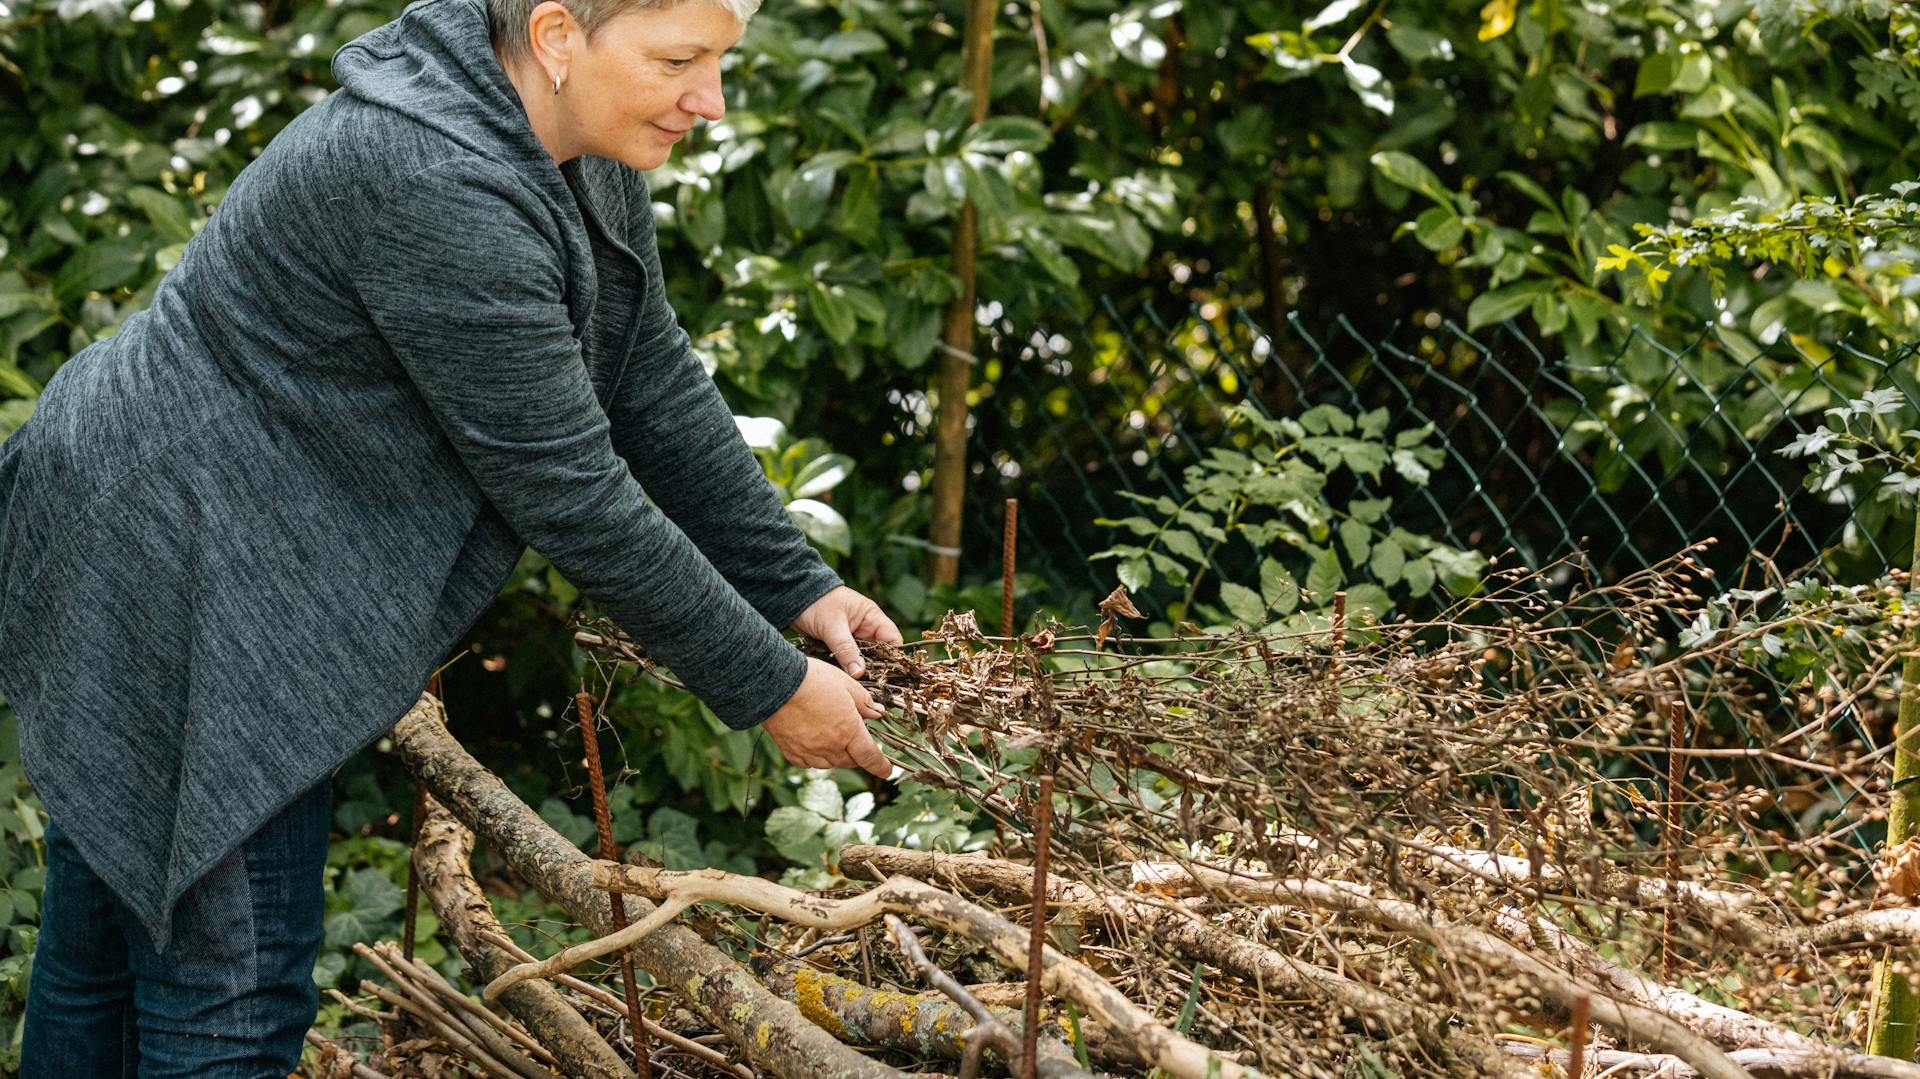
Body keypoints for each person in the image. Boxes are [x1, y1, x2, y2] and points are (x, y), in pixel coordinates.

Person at [0, 0, 899, 1071]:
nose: (709, 99)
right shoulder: (435, 176)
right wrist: (769, 685)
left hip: (180, 520)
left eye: (719, 61)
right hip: (176, 556)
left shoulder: (567, 141)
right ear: (560, 36)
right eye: (679, 61)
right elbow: (569, 491)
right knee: (229, 994)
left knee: (108, 944)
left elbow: (645, 369)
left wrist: (791, 581)